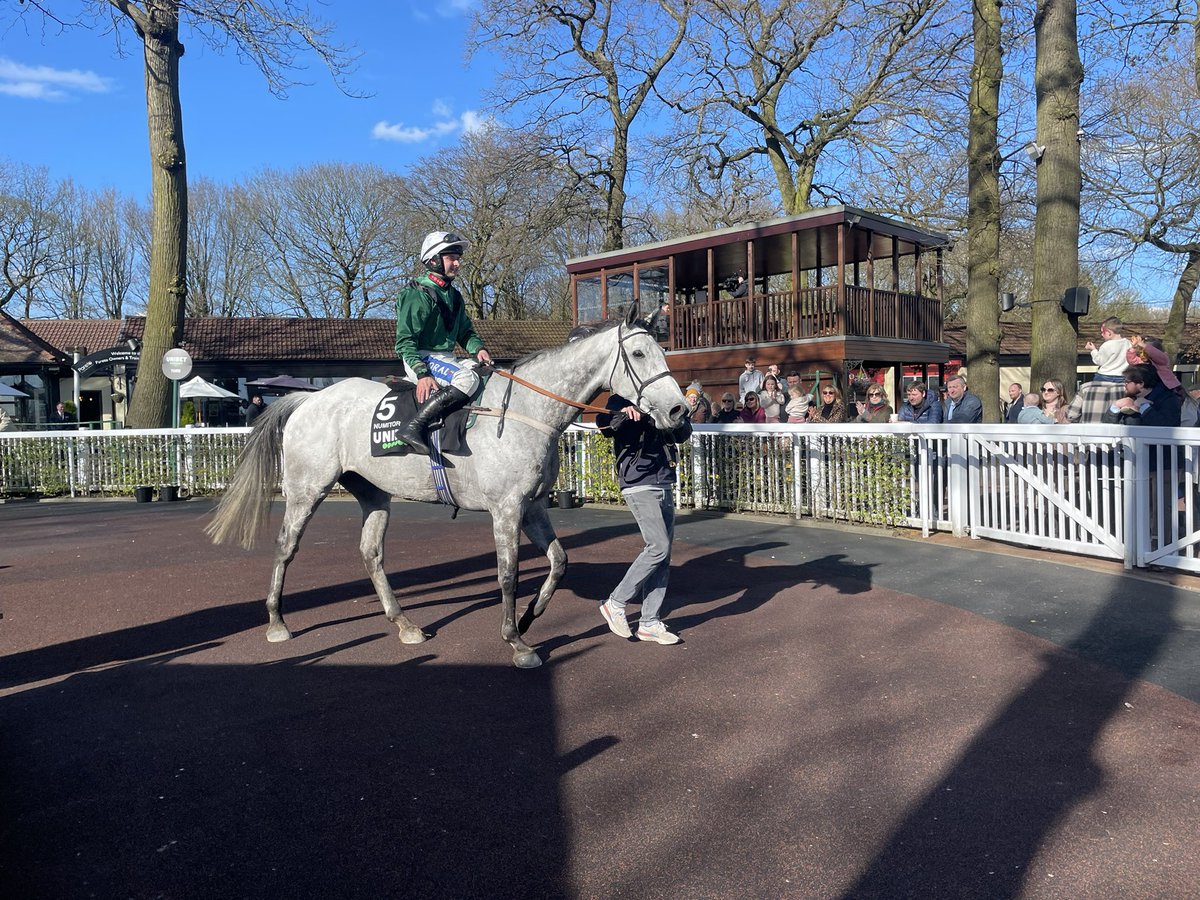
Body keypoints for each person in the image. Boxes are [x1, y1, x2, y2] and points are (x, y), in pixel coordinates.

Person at [596, 393, 693, 645]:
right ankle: (615, 603)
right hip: (638, 482)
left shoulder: (663, 396)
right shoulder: (620, 398)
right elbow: (604, 424)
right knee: (658, 547)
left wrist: (681, 416)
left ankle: (649, 622)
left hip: (664, 480)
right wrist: (623, 413)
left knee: (663, 555)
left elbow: (682, 435)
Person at [393, 230, 494, 455]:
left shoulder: (454, 296)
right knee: (466, 378)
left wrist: (478, 349)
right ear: (433, 260)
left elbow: (465, 332)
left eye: (458, 258)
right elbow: (405, 341)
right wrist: (422, 373)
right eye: (451, 258)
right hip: (419, 356)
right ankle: (414, 427)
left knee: (485, 373)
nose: (457, 263)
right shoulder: (416, 293)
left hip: (446, 358)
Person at [1101, 364, 1182, 427]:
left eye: (1127, 382)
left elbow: (1165, 427)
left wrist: (1145, 408)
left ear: (1140, 383)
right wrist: (1115, 407)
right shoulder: (1129, 400)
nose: (1124, 385)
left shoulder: (1168, 400)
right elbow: (1106, 430)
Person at [1085, 317, 1133, 383]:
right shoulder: (1128, 343)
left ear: (1109, 333)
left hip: (1104, 376)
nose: (1102, 335)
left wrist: (1093, 350)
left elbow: (1099, 361)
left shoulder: (1106, 345)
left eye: (1103, 332)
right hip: (1123, 376)